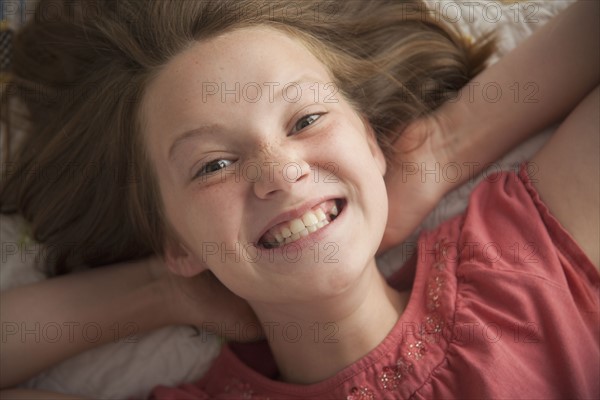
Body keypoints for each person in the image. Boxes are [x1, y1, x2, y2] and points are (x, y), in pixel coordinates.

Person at [1, 0, 598, 398]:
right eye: (214, 164)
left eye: (307, 118)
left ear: (369, 140)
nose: (281, 173)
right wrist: (166, 292)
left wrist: (439, 148)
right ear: (177, 242)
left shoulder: (519, 261)